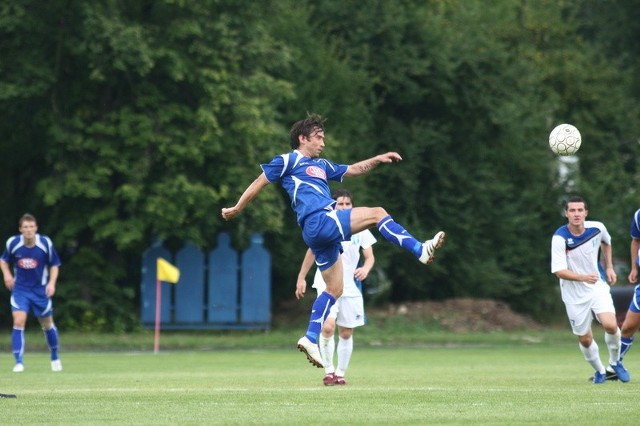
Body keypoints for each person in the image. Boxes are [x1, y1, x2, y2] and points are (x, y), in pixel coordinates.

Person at [221, 113, 445, 367]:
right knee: (378, 213)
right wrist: (238, 208)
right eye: (318, 137)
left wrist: (378, 159)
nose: (323, 143)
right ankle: (419, 250)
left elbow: (353, 169)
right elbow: (259, 182)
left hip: (318, 233)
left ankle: (310, 337)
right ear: (302, 138)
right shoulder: (288, 160)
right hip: (319, 220)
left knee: (335, 289)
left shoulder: (323, 166)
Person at [296, 189, 376, 385]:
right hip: (327, 282)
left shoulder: (360, 228)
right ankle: (328, 370)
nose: (344, 207)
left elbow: (370, 256)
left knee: (346, 332)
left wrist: (366, 268)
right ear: (333, 205)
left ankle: (340, 373)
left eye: (347, 204)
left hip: (349, 286)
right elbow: (312, 251)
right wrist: (301, 277)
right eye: (340, 204)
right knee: (329, 327)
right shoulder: (327, 224)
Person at [550, 196, 629, 384]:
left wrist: (609, 267)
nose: (576, 214)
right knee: (585, 338)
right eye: (572, 210)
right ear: (566, 213)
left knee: (610, 325)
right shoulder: (560, 238)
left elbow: (607, 243)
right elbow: (559, 271)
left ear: (586, 212)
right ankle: (600, 371)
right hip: (573, 293)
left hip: (596, 286)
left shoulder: (597, 228)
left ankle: (615, 362)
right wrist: (582, 277)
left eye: (580, 210)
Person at [0, 213, 62, 372]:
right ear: (20, 229)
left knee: (47, 324)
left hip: (40, 290)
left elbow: (54, 264)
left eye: (31, 226)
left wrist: (52, 283)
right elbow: (3, 260)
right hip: (20, 289)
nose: (29, 230)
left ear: (36, 228)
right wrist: (7, 275)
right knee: (19, 321)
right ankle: (18, 361)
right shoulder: (13, 243)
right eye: (25, 227)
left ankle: (55, 356)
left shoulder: (45, 243)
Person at [612, 208, 640, 373]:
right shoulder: (638, 215)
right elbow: (636, 241)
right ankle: (615, 366)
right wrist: (633, 268)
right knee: (628, 327)